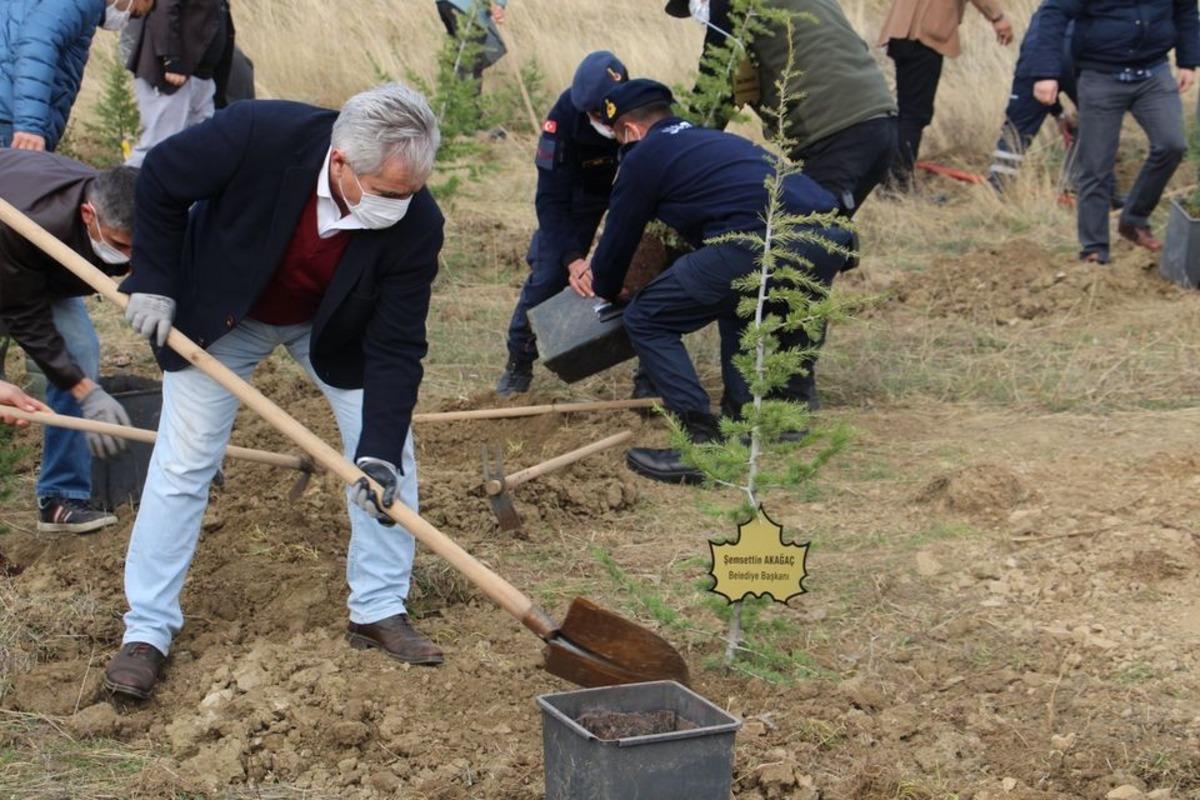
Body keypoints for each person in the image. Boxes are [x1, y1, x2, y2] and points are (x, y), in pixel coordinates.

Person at [103, 84, 446, 700]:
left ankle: (377, 607)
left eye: (412, 192)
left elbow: (397, 347)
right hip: (224, 313)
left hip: (331, 328)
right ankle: (147, 631)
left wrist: (378, 450)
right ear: (341, 161)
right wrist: (153, 278)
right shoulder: (259, 135)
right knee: (185, 462)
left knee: (391, 461)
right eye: (389, 192)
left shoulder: (416, 223)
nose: (401, 206)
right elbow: (160, 179)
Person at [571, 80, 851, 484]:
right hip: (827, 235)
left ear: (629, 130)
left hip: (758, 240)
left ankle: (702, 443)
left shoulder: (643, 154)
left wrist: (610, 288)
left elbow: (615, 252)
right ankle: (753, 426)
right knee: (738, 305)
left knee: (648, 318)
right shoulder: (709, 141)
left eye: (617, 136)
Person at [0, 150, 138, 534]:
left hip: (39, 268)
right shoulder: (23, 222)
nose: (129, 256)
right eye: (120, 245)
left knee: (78, 350)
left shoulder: (114, 195)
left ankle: (61, 497)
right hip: (7, 261)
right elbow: (26, 318)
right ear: (89, 216)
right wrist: (85, 391)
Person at [666, 0, 898, 217]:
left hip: (836, 134)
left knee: (787, 243)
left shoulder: (730, 4)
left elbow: (715, 89)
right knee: (818, 240)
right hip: (880, 119)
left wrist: (674, 155)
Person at [495, 51, 628, 396]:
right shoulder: (564, 120)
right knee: (548, 275)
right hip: (580, 195)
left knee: (636, 269)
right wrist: (573, 259)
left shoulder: (640, 106)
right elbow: (550, 200)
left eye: (602, 113)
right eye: (592, 114)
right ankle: (519, 362)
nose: (597, 118)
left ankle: (648, 373)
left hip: (631, 191)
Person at [1029, 0, 1200, 263]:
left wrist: (1188, 60)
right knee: (1096, 165)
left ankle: (1133, 218)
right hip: (1100, 76)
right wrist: (1045, 73)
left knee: (1172, 144)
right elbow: (1054, 14)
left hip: (1153, 73)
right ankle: (1094, 249)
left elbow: (1186, 9)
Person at [878, 0, 1014, 187]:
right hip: (923, 34)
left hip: (901, 31)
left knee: (907, 113)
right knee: (914, 116)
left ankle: (892, 179)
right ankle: (897, 185)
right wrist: (997, 17)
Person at [0, 0, 151, 152]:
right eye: (133, 15)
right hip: (12, 122)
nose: (125, 21)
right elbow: (38, 44)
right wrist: (30, 125)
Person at [125, 0, 232, 167]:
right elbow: (164, 7)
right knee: (155, 150)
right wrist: (171, 59)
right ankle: (119, 193)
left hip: (202, 77)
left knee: (200, 148)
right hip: (171, 76)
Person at [987, 8, 1078, 191]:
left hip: (1042, 54)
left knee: (1017, 131)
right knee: (1100, 119)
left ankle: (997, 187)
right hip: (1055, 56)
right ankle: (1085, 184)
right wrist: (1059, 113)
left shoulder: (1047, 15)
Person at [434, 0, 507, 85]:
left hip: (445, 4)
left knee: (458, 58)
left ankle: (449, 92)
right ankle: (463, 96)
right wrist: (500, 5)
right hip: (468, 8)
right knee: (469, 65)